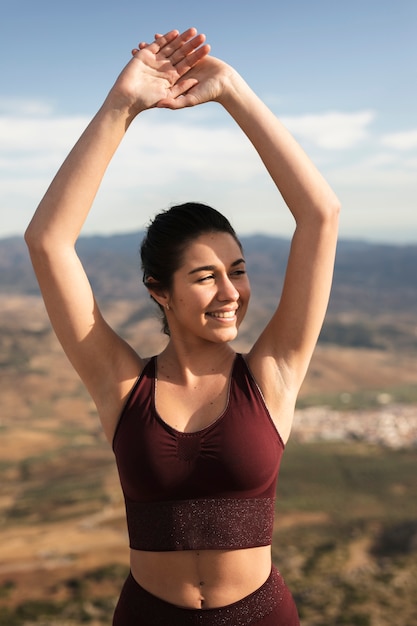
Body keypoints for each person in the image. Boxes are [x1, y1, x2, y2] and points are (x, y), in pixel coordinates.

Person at [25, 27, 340, 626]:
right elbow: (48, 241)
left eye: (238, 271)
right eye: (205, 276)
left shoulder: (272, 374)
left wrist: (234, 93)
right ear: (159, 293)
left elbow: (320, 215)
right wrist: (122, 106)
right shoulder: (120, 384)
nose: (231, 292)